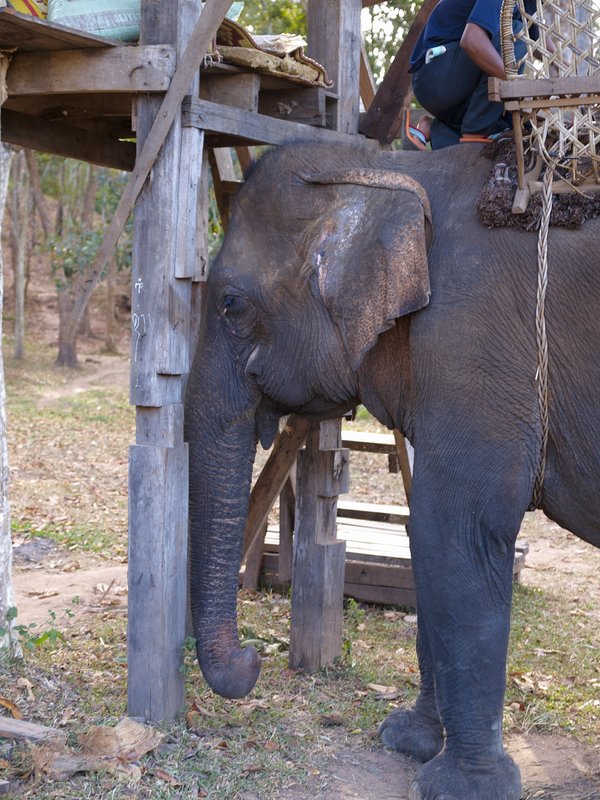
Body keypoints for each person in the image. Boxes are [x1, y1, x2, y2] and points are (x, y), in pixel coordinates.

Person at [407, 0, 537, 149]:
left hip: (452, 94)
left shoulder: (526, 4)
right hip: (436, 76)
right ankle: (476, 131)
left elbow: (540, 41)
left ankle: (434, 129)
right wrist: (515, 86)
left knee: (514, 122)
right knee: (515, 34)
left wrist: (558, 72)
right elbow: (472, 41)